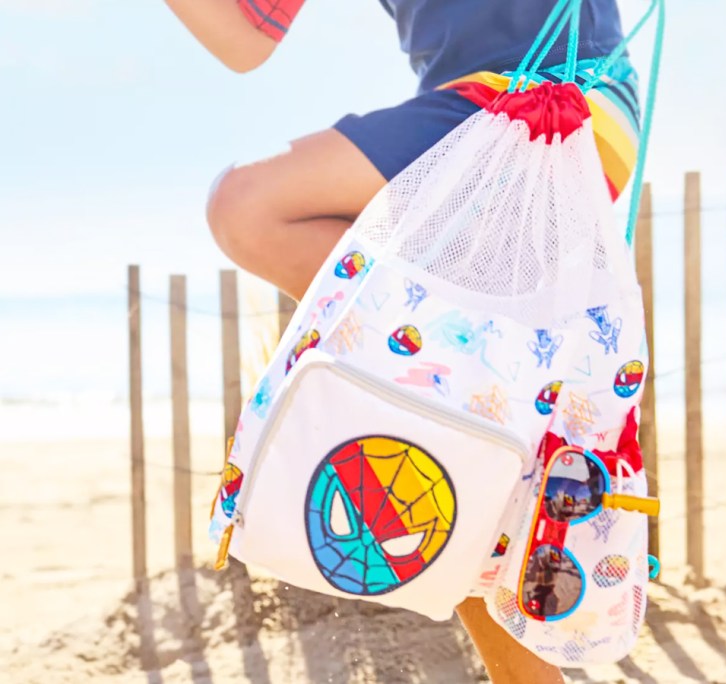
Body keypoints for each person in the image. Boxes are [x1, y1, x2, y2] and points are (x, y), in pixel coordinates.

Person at [164, 2, 643, 682]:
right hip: (476, 119)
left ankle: (400, 349)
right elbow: (246, 42)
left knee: (249, 205)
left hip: (556, 98)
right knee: (459, 418)